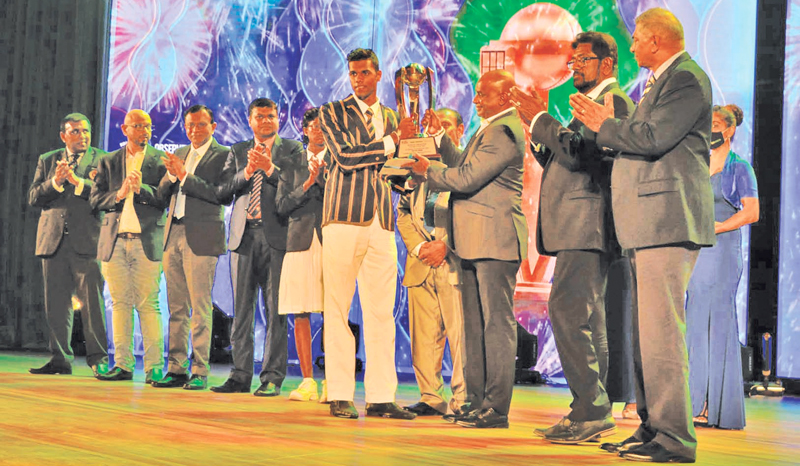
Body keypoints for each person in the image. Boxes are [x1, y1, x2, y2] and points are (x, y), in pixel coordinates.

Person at [570, 8, 715, 463]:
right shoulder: (660, 82)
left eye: (635, 39)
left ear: (655, 40)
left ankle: (675, 439)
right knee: (644, 335)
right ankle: (653, 427)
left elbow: (653, 138)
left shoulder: (687, 78)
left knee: (662, 336)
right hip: (646, 224)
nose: (630, 47)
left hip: (668, 220)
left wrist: (603, 125)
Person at [511, 31, 635, 444]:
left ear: (608, 64)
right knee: (585, 317)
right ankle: (591, 407)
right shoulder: (588, 104)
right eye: (574, 59)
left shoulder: (611, 101)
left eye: (583, 59)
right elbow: (561, 155)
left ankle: (591, 409)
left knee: (567, 311)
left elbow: (580, 155)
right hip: (580, 225)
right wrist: (538, 128)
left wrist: (543, 119)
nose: (575, 66)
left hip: (589, 222)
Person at [411, 69, 528, 429]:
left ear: (506, 97)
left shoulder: (505, 129)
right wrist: (440, 139)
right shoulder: (490, 127)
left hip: (494, 240)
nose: (475, 100)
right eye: (476, 94)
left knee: (496, 326)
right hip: (473, 241)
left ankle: (496, 407)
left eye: (483, 95)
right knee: (475, 327)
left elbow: (466, 178)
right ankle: (476, 401)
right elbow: (463, 163)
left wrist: (428, 169)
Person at [318, 48, 417, 420]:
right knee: (338, 307)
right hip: (343, 218)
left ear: (378, 75)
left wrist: (410, 167)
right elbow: (345, 157)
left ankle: (380, 397)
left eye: (364, 73)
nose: (358, 79)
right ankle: (340, 393)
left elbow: (391, 169)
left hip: (382, 222)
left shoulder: (394, 116)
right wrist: (394, 141)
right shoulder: (333, 112)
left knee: (381, 313)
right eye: (353, 73)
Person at [211, 98, 300, 396]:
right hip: (243, 236)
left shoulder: (292, 149)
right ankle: (239, 375)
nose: (265, 121)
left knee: (276, 311)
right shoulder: (237, 151)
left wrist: (270, 169)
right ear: (250, 120)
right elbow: (221, 192)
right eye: (259, 116)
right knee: (242, 311)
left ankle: (272, 377)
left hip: (276, 237)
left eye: (271, 116)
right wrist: (247, 173)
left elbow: (295, 187)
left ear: (279, 119)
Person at [687, 104, 758, 430]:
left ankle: (713, 407)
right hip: (696, 253)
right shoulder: (697, 162)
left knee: (717, 324)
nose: (711, 130)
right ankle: (694, 402)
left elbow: (751, 212)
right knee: (695, 323)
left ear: (729, 130)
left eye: (716, 125)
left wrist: (716, 227)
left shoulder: (739, 167)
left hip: (723, 251)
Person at [152, 104, 230, 391]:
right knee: (177, 307)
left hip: (203, 235)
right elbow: (161, 194)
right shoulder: (180, 153)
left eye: (200, 125)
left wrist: (184, 176)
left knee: (200, 307)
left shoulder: (224, 155)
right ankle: (176, 368)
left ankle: (200, 369)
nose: (194, 130)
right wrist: (172, 177)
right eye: (190, 125)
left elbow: (221, 194)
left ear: (213, 126)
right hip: (173, 233)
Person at [397, 108, 467, 418]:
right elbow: (402, 212)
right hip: (421, 262)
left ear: (460, 130)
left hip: (453, 262)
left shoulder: (467, 165)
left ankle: (464, 400)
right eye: (432, 127)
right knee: (424, 336)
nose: (438, 132)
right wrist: (420, 247)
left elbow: (472, 215)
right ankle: (430, 397)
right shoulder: (416, 169)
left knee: (460, 335)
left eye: (446, 126)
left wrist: (446, 246)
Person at [28, 113, 110, 377]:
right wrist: (56, 182)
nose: (82, 136)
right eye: (75, 132)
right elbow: (33, 197)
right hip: (53, 240)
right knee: (56, 304)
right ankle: (60, 359)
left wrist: (78, 183)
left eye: (85, 131)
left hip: (87, 239)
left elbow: (104, 198)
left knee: (92, 304)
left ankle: (98, 359)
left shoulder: (102, 159)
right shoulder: (48, 159)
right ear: (63, 136)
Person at [90, 109, 168, 383]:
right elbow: (95, 200)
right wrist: (120, 193)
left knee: (149, 304)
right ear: (125, 130)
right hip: (115, 242)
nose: (144, 131)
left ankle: (154, 366)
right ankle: (122, 365)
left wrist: (142, 189)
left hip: (146, 242)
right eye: (138, 126)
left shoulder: (160, 160)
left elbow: (164, 199)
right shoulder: (109, 161)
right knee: (120, 304)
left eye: (147, 126)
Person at [275, 108, 327, 402]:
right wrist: (307, 184)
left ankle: (335, 378)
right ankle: (308, 380)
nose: (319, 131)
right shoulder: (290, 164)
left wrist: (324, 179)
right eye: (314, 127)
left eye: (324, 127)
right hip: (299, 240)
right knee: (301, 310)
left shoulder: (339, 160)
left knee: (335, 310)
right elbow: (281, 206)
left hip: (332, 239)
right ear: (305, 130)